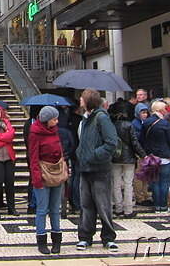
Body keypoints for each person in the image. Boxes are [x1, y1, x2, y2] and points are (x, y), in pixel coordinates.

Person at [75, 88, 119, 253]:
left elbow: (111, 143)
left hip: (100, 168)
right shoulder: (86, 118)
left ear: (87, 102)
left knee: (103, 204)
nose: (80, 100)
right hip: (85, 168)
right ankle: (85, 236)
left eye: (82, 98)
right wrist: (81, 154)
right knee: (86, 204)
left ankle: (108, 237)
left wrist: (94, 155)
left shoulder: (101, 118)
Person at [29, 106, 69, 255]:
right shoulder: (35, 134)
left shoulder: (55, 131)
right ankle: (41, 240)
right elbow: (33, 158)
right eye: (55, 119)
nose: (57, 121)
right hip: (43, 175)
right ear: (47, 120)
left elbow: (60, 151)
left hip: (56, 173)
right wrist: (36, 179)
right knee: (42, 209)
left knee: (55, 209)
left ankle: (57, 240)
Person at [141, 100, 170, 214]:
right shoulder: (165, 124)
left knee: (155, 181)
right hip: (165, 156)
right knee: (165, 182)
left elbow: (142, 139)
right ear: (160, 110)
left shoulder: (146, 123)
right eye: (165, 109)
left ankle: (156, 206)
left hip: (152, 156)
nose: (166, 111)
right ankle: (163, 206)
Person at [111, 108, 146, 219]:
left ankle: (118, 208)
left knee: (116, 184)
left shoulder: (111, 125)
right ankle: (128, 210)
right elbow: (134, 142)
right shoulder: (129, 125)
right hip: (129, 158)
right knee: (128, 184)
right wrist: (143, 155)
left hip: (115, 158)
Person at [132, 103, 152, 207]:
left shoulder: (145, 123)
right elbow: (136, 139)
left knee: (145, 175)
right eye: (142, 112)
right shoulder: (135, 124)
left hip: (146, 152)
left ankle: (145, 195)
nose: (145, 115)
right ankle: (139, 197)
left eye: (146, 112)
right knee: (139, 176)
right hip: (139, 153)